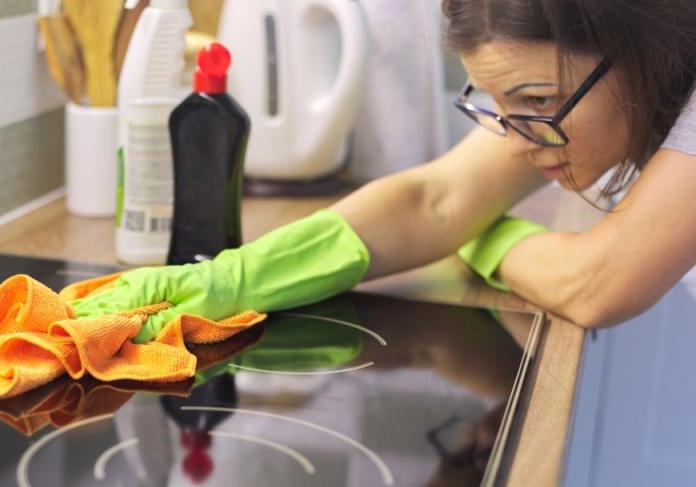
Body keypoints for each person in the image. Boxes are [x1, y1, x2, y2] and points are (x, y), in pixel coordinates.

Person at [71, 0, 696, 341]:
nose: (522, 137)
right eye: (498, 105)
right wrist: (239, 277)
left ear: (638, 50)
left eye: (536, 100)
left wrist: (484, 233)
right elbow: (436, 200)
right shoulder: (580, 97)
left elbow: (596, 284)